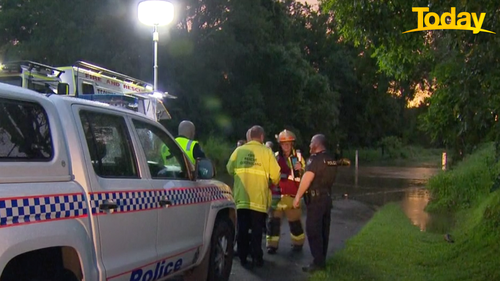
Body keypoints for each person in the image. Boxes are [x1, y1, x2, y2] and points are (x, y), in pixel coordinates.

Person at [226, 125, 280, 269]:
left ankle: (242, 256)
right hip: (259, 199)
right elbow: (276, 176)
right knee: (257, 230)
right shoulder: (267, 152)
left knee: (242, 228)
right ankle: (257, 257)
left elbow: (229, 169)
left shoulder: (239, 150)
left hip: (242, 198)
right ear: (262, 137)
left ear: (249, 137)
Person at [293, 134, 338, 273]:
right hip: (327, 199)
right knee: (324, 230)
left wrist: (297, 198)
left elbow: (307, 179)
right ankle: (321, 259)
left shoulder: (315, 160)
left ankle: (317, 262)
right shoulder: (331, 159)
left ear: (317, 144)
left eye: (311, 142)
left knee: (313, 231)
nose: (309, 145)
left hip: (316, 201)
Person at [266, 129, 306, 254]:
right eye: (284, 144)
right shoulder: (275, 157)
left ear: (292, 144)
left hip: (292, 195)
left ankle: (298, 244)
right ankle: (271, 245)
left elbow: (305, 175)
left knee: (295, 223)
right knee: (273, 223)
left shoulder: (298, 157)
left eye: (288, 144)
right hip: (276, 195)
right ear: (280, 145)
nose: (286, 146)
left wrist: (301, 169)